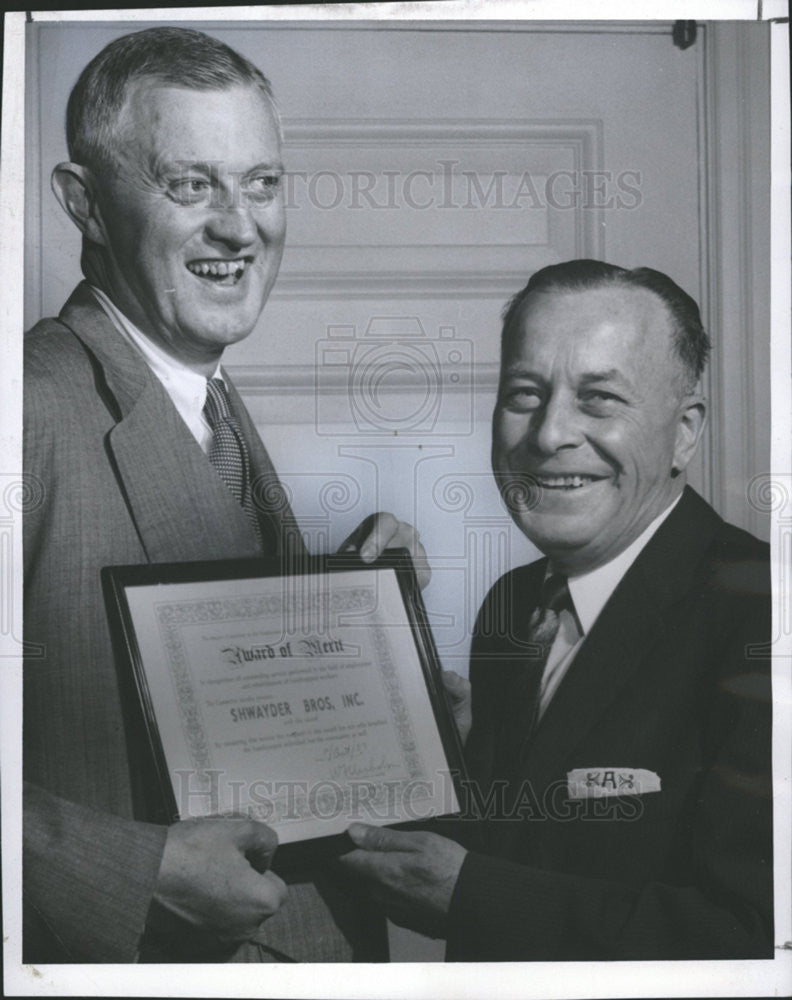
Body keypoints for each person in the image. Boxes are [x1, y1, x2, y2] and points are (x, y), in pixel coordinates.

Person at [23, 26, 429, 964]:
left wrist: (373, 644)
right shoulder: (27, 407)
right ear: (82, 203)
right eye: (191, 183)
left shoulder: (206, 398)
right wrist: (135, 871)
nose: (240, 226)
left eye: (262, 183)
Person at [340, 259, 773, 960]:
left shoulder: (764, 617)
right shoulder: (512, 606)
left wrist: (470, 898)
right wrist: (376, 640)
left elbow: (754, 940)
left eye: (599, 399)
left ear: (685, 432)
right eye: (524, 394)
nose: (547, 436)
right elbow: (533, 838)